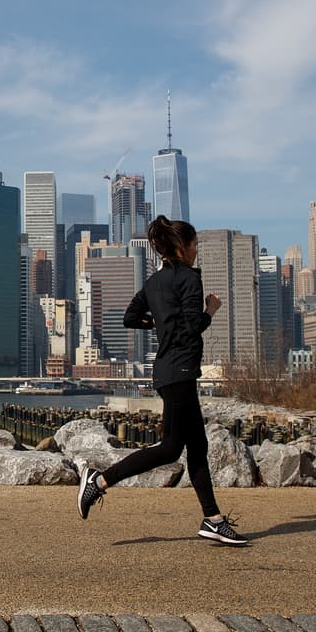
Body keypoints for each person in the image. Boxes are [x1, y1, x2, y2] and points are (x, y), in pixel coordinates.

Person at [75, 215, 248, 545]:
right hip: (181, 369)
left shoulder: (154, 282)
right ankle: (99, 481)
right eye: (195, 244)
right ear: (182, 247)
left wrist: (159, 322)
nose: (197, 250)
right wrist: (211, 310)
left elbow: (129, 318)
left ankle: (212, 520)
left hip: (167, 371)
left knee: (197, 447)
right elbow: (193, 326)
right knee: (171, 448)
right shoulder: (188, 278)